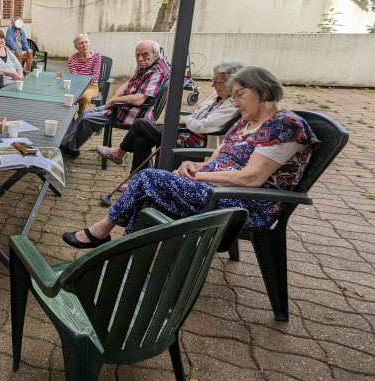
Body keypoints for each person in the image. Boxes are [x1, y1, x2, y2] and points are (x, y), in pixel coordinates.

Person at [63, 66, 317, 249]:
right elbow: (215, 159)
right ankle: (127, 255)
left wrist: (199, 175)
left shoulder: (284, 125)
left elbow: (251, 178)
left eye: (239, 95)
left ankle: (101, 233)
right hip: (214, 190)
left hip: (246, 206)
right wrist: (192, 165)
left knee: (148, 179)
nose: (235, 102)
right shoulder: (244, 123)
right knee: (146, 196)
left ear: (262, 90)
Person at [95, 59, 245, 179]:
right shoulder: (217, 95)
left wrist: (185, 120)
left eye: (217, 81)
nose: (212, 85)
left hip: (194, 143)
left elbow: (203, 126)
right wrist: (188, 119)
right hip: (185, 134)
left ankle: (119, 153)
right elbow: (197, 114)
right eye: (214, 79)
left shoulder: (232, 104)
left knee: (141, 123)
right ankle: (135, 181)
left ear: (231, 83)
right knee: (141, 140)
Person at [60, 40, 171, 158]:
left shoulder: (157, 71)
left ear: (156, 53)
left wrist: (114, 101)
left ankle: (68, 147)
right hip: (124, 105)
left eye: (145, 54)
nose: (140, 58)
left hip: (135, 112)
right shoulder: (147, 64)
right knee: (84, 114)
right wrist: (113, 99)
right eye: (137, 55)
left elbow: (139, 100)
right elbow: (128, 83)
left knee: (87, 119)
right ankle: (67, 145)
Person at [67, 33, 102, 116]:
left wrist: (82, 91)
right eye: (81, 43)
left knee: (85, 96)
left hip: (92, 86)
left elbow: (95, 77)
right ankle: (69, 119)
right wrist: (80, 89)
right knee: (69, 97)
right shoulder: (71, 59)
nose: (84, 45)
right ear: (76, 47)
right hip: (77, 86)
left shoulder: (97, 56)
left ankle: (81, 118)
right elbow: (75, 77)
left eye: (86, 42)